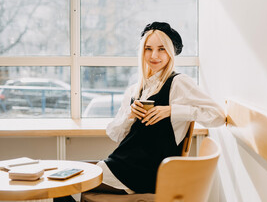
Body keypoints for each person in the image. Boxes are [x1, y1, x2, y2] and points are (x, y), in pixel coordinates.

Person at [54, 22, 225, 201]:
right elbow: (115, 134)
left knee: (63, 185)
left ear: (171, 52)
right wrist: (130, 115)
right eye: (148, 49)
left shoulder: (179, 83)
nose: (154, 55)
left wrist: (173, 110)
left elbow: (218, 116)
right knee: (63, 176)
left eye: (161, 49)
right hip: (122, 165)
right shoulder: (137, 89)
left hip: (144, 173)